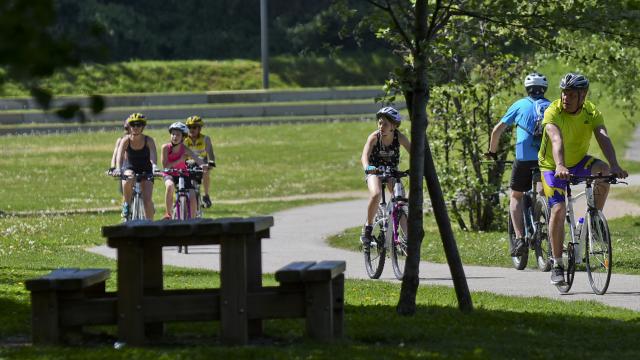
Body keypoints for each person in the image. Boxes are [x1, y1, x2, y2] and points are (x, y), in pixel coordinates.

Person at [538, 73, 628, 285]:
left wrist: (614, 164)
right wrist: (560, 165)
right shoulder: (553, 111)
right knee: (559, 209)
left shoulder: (591, 111)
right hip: (552, 165)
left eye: (571, 94)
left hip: (578, 161)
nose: (565, 98)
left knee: (603, 171)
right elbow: (556, 139)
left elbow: (602, 137)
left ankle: (594, 220)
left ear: (583, 95)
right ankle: (557, 263)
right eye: (563, 93)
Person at [486, 72, 550, 257]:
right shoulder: (552, 106)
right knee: (544, 192)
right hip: (546, 157)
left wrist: (492, 151)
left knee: (516, 195)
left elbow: (498, 129)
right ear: (544, 89)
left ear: (527, 89)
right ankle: (544, 213)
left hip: (523, 157)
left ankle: (520, 238)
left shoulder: (520, 104)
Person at [360, 106, 411, 244]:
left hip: (391, 172)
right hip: (374, 171)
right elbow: (364, 156)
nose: (381, 126)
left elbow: (414, 153)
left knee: (399, 201)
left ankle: (407, 238)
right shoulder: (374, 137)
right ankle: (368, 228)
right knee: (376, 194)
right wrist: (368, 168)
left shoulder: (399, 137)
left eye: (385, 124)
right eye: (380, 123)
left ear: (393, 126)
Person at [114, 113, 158, 220]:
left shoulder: (149, 140)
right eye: (133, 125)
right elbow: (119, 156)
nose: (135, 127)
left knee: (147, 201)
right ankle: (126, 204)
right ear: (129, 126)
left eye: (138, 125)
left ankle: (150, 227)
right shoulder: (126, 140)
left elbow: (153, 156)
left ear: (143, 127)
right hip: (130, 167)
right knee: (128, 177)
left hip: (146, 169)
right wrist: (118, 168)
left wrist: (155, 167)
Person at [161, 122, 207, 220]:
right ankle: (168, 214)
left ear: (183, 137)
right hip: (169, 174)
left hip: (182, 174)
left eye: (178, 134)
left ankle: (193, 220)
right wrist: (180, 160)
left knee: (192, 194)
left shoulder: (185, 149)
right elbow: (165, 165)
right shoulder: (165, 148)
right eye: (173, 134)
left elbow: (196, 158)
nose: (175, 136)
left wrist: (203, 165)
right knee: (170, 186)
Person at [184, 115, 216, 208]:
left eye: (194, 127)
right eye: (189, 127)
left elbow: (210, 153)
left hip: (202, 162)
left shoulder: (205, 139)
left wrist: (211, 162)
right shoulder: (184, 139)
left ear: (200, 128)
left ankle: (206, 196)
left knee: (206, 172)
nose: (191, 129)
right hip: (188, 163)